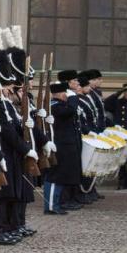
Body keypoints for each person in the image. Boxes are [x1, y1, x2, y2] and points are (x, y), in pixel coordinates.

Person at [43, 81, 81, 214]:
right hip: (58, 146)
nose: (67, 95)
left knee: (61, 176)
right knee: (55, 177)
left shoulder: (61, 105)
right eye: (65, 92)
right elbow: (70, 111)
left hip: (65, 146)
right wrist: (73, 97)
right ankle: (51, 206)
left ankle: (56, 203)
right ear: (59, 93)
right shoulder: (55, 106)